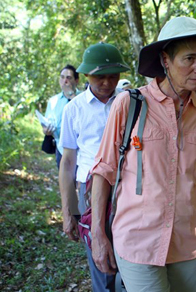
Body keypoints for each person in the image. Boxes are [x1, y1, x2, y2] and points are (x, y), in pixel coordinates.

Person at [89, 17, 196, 292]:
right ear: (165, 60)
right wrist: (98, 234)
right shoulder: (130, 105)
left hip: (188, 244)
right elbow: (103, 170)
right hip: (138, 242)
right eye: (189, 58)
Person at [58, 42, 131, 292]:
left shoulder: (129, 104)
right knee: (102, 259)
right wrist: (68, 212)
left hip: (128, 186)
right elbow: (68, 162)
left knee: (133, 257)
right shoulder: (74, 110)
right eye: (100, 77)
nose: (107, 83)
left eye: (113, 77)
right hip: (89, 191)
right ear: (87, 75)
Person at [43, 65, 80, 168]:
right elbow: (47, 123)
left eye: (69, 78)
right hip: (60, 148)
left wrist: (72, 95)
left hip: (80, 150)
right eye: (62, 77)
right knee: (65, 181)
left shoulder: (83, 98)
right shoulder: (53, 101)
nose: (65, 81)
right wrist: (46, 130)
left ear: (76, 80)